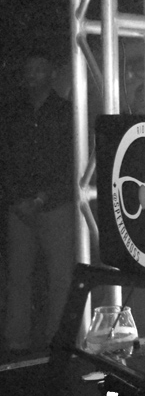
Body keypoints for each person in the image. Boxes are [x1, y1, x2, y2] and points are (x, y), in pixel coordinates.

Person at [1, 50, 75, 357]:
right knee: (18, 277)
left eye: (39, 69)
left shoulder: (67, 112)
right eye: (28, 69)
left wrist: (43, 197)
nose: (32, 75)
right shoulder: (13, 113)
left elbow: (73, 162)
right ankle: (15, 343)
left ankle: (57, 342)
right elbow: (5, 159)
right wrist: (17, 199)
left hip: (56, 206)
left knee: (61, 279)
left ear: (53, 74)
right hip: (19, 208)